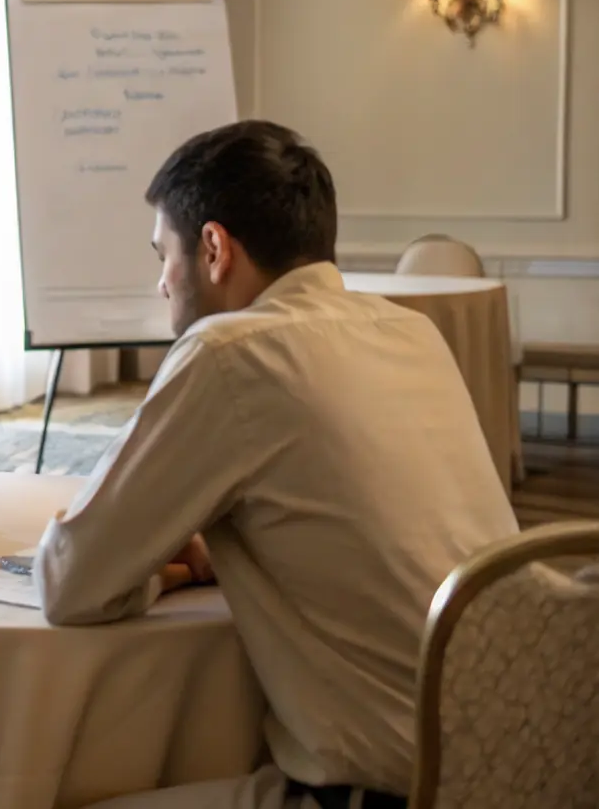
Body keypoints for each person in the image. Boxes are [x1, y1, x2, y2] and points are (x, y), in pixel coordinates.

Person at [33, 120, 518, 809]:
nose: (161, 283)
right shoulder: (411, 331)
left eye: (161, 254)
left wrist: (163, 570)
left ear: (212, 248)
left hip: (390, 788)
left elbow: (68, 582)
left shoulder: (230, 354)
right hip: (519, 754)